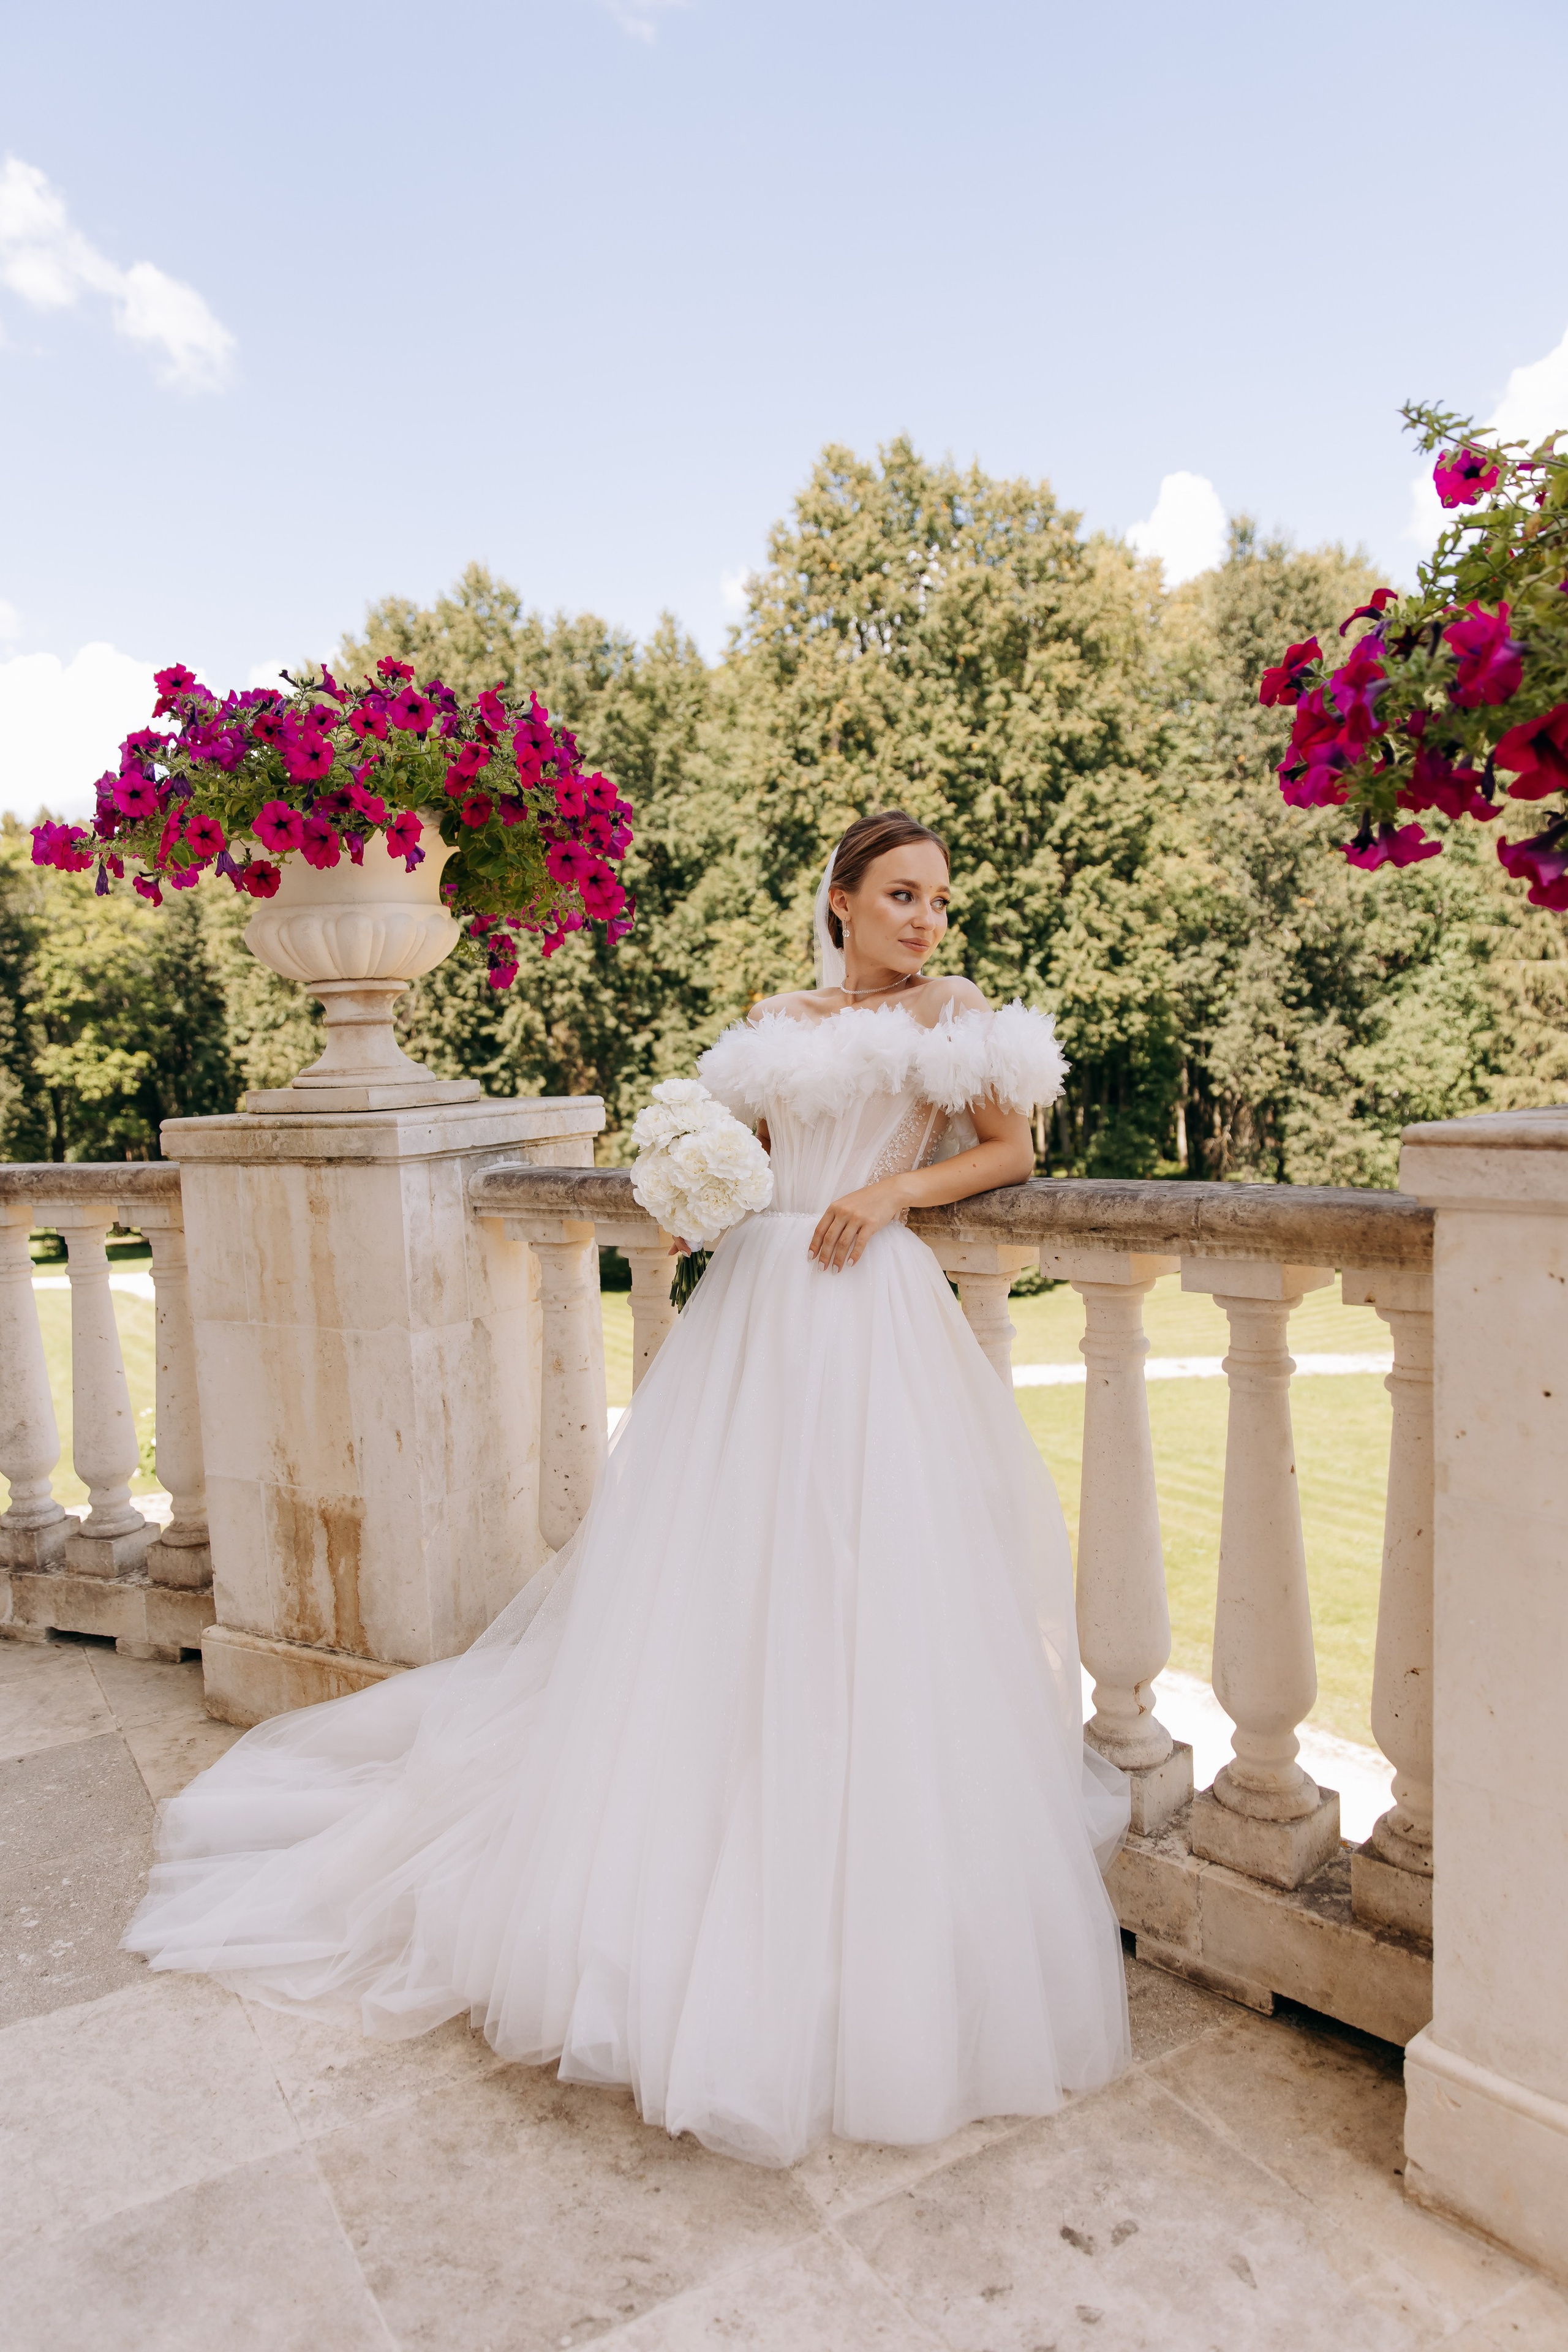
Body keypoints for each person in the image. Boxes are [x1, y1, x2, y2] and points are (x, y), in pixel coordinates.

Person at [125, 809, 1131, 2168]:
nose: (924, 920)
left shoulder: (958, 1014)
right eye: (899, 895)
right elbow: (744, 1152)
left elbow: (1009, 1152)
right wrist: (695, 1196)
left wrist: (895, 1192)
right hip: (760, 1304)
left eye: (938, 899)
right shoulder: (777, 1016)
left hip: (867, 1308)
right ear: (837, 900)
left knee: (870, 1576)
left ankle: (865, 1875)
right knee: (719, 1578)